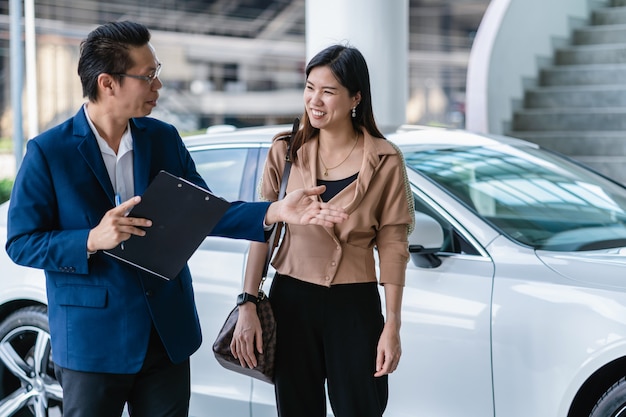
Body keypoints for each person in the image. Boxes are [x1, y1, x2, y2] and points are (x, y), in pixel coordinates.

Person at [5, 21, 347, 417]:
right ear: (107, 83)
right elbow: (21, 242)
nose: (158, 85)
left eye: (158, 72)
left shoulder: (163, 138)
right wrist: (90, 239)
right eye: (148, 76)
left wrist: (275, 210)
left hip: (165, 333)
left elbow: (206, 211)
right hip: (92, 340)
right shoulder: (49, 153)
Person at [231, 44, 415, 417]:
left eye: (328, 91)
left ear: (355, 98)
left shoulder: (385, 158)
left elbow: (394, 243)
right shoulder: (285, 151)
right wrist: (247, 303)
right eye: (310, 87)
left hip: (355, 305)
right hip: (291, 301)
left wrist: (392, 325)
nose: (315, 100)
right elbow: (261, 230)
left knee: (361, 409)